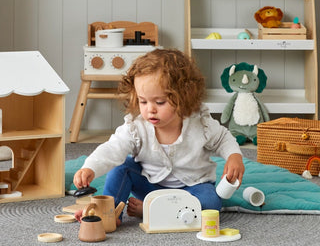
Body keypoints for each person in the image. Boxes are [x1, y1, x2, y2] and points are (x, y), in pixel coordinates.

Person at [73, 48, 245, 221]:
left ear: (184, 97)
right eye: (143, 101)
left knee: (211, 202)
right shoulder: (136, 127)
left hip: (191, 189)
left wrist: (234, 156)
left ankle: (153, 211)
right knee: (122, 167)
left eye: (160, 102)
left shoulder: (200, 123)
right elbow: (112, 148)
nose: (150, 109)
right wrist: (90, 167)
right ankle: (108, 212)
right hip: (150, 186)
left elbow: (223, 138)